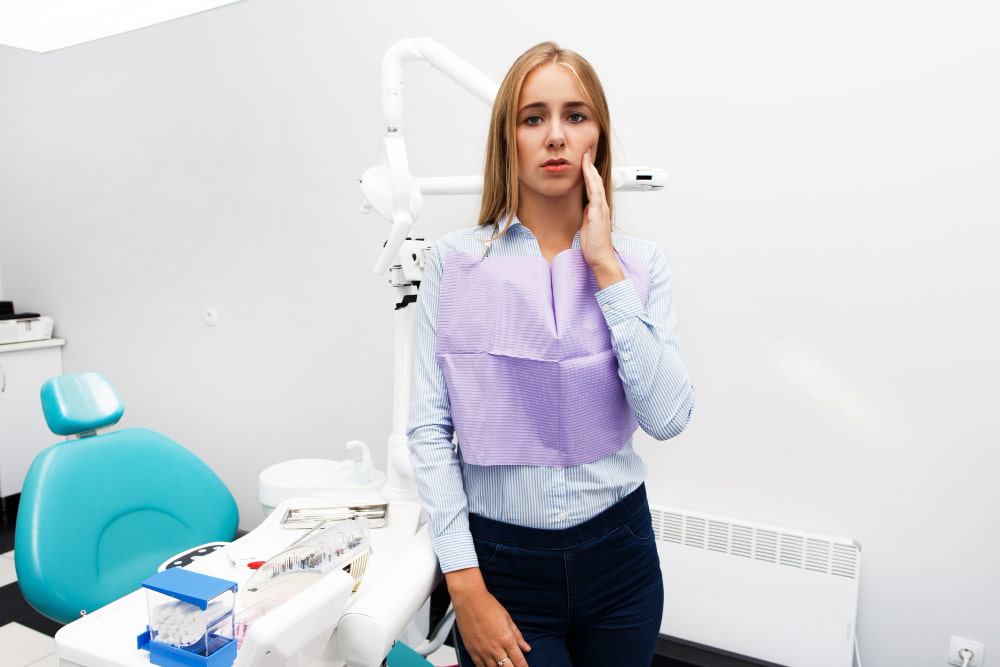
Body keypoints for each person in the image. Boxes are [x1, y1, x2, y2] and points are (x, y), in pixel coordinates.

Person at [407, 42, 695, 667]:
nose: (556, 136)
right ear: (507, 137)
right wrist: (463, 583)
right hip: (503, 567)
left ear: (599, 135)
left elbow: (669, 417)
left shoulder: (639, 265)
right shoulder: (455, 263)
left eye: (575, 115)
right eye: (533, 118)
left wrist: (604, 268)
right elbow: (429, 432)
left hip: (620, 557)